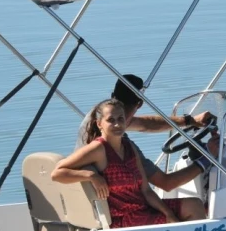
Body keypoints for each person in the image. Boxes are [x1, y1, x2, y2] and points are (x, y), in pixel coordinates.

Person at [53, 99, 205, 227]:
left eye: (121, 119)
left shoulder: (129, 147)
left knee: (195, 205)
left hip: (142, 207)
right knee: (182, 220)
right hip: (123, 218)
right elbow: (57, 173)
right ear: (99, 124)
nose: (117, 124)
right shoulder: (98, 149)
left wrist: (168, 213)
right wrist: (90, 175)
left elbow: (146, 190)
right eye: (111, 120)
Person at [75, 74, 217, 192]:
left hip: (99, 200)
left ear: (112, 96)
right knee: (193, 205)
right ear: (140, 103)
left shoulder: (100, 118)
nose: (118, 122)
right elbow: (166, 183)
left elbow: (145, 123)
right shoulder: (122, 147)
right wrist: (208, 157)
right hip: (121, 205)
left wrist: (189, 121)